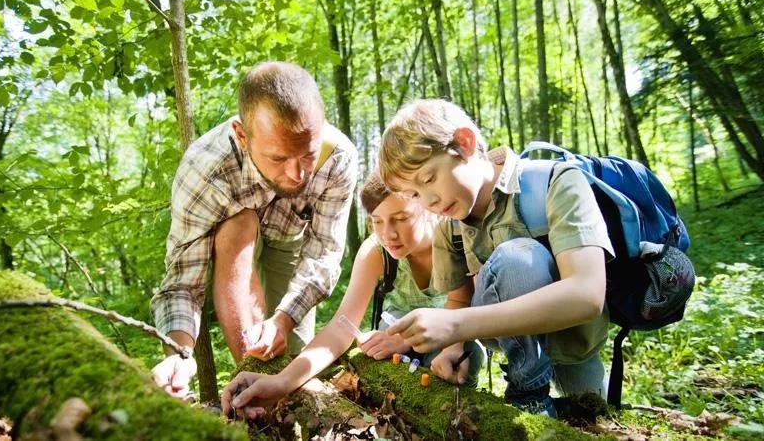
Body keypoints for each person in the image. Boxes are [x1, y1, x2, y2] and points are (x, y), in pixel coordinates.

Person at [377, 99, 614, 417]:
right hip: (518, 354)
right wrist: (453, 347)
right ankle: (528, 395)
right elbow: (459, 300)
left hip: (575, 344)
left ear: (465, 143)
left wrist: (457, 326)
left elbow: (587, 294)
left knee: (597, 418)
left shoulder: (556, 183)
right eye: (415, 195)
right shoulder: (450, 225)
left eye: (429, 178)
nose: (429, 201)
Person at [150, 62, 358, 398]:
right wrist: (179, 353)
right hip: (231, 244)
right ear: (242, 135)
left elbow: (324, 252)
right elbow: (183, 282)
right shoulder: (205, 170)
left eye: (307, 154)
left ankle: (287, 410)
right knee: (239, 223)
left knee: (292, 358)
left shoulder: (339, 158)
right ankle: (248, 374)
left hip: (290, 241)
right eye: (278, 157)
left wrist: (284, 319)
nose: (297, 174)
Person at [222, 172, 484, 419]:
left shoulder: (456, 239)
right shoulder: (376, 251)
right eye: (377, 221)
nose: (388, 234)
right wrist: (282, 381)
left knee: (464, 360)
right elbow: (341, 327)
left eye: (401, 218)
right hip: (391, 336)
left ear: (427, 206)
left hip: (452, 336)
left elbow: (466, 309)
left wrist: (407, 341)